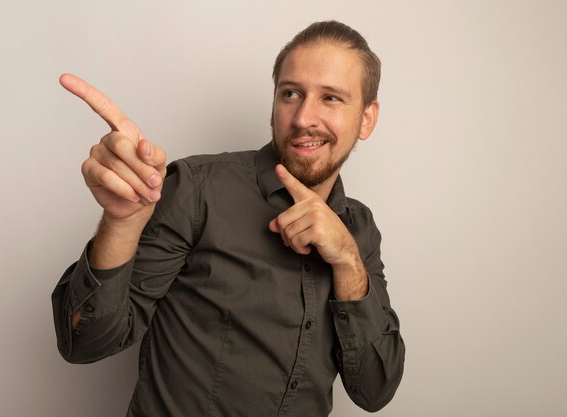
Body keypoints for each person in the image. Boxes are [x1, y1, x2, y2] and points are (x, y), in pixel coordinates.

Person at [52, 20, 405, 417]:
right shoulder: (197, 189)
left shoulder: (360, 231)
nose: (304, 117)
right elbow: (84, 342)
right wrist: (121, 223)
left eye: (331, 99)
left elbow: (374, 390)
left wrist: (348, 261)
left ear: (367, 119)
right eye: (291, 93)